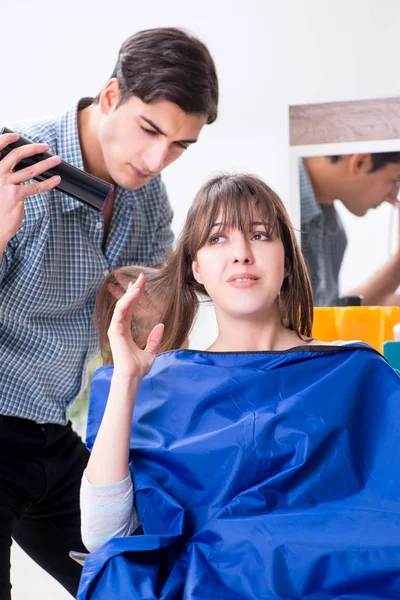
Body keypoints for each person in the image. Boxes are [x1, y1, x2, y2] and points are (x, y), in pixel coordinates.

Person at [78, 174, 400, 599]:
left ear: (287, 259)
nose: (241, 255)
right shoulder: (155, 387)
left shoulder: (355, 373)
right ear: (196, 267)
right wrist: (126, 380)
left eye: (260, 235)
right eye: (217, 240)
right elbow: (102, 537)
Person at [0, 27, 218, 598]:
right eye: (150, 131)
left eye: (179, 146)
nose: (156, 159)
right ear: (110, 96)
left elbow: (150, 329)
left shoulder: (146, 196)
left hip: (51, 433)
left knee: (142, 584)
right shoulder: (14, 168)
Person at [300, 153, 400, 306]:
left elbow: (326, 314)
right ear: (360, 162)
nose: (393, 197)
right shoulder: (271, 200)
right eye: (394, 182)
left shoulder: (332, 230)